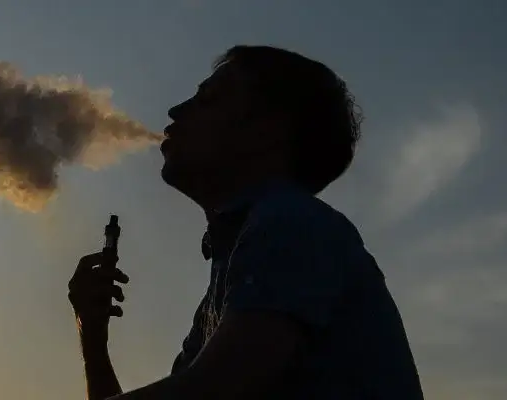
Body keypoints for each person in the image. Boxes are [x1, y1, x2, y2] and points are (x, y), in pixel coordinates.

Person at [67, 45, 425, 399]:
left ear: (268, 131)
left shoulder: (294, 223)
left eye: (207, 99)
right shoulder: (236, 271)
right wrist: (94, 339)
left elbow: (214, 389)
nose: (177, 110)